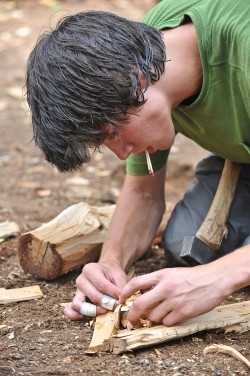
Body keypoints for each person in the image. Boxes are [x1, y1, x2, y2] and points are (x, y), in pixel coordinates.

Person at [26, 0, 250, 326]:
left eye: (114, 133)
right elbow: (143, 193)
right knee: (185, 243)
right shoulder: (138, 54)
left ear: (137, 80)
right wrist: (111, 264)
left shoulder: (242, 52)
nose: (121, 153)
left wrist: (218, 277)